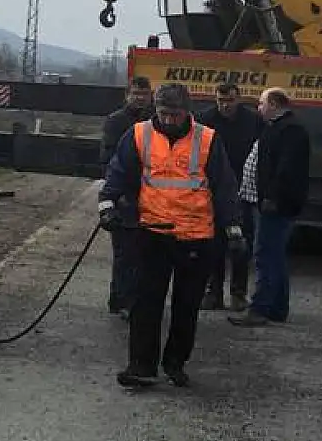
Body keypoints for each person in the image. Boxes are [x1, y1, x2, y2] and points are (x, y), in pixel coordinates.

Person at [99, 82, 243, 388]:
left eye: (174, 115)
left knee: (186, 306)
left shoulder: (207, 140)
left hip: (195, 236)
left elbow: (225, 187)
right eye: (163, 113)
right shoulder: (139, 134)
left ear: (186, 112)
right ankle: (141, 366)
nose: (168, 120)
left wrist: (233, 227)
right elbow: (117, 172)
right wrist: (108, 206)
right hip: (152, 232)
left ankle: (175, 363)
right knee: (145, 303)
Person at [230, 87, 311, 327]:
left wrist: (273, 198)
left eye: (262, 104)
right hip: (264, 201)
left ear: (274, 104)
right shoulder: (276, 128)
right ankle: (277, 308)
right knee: (274, 255)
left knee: (265, 255)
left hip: (276, 205)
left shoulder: (291, 130)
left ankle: (260, 308)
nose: (259, 108)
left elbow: (286, 170)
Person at [199, 82, 263, 311]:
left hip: (243, 189)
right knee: (213, 244)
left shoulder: (253, 121)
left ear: (239, 99)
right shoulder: (205, 119)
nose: (225, 105)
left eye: (230, 100)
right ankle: (213, 292)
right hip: (212, 189)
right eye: (221, 100)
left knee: (240, 244)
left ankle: (238, 293)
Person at [97, 76, 152, 317]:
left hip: (150, 195)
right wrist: (114, 195)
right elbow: (108, 160)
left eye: (144, 94)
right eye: (136, 93)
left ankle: (129, 298)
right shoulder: (116, 121)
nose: (140, 98)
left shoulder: (154, 122)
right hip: (124, 196)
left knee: (142, 253)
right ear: (127, 95)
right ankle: (121, 299)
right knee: (125, 253)